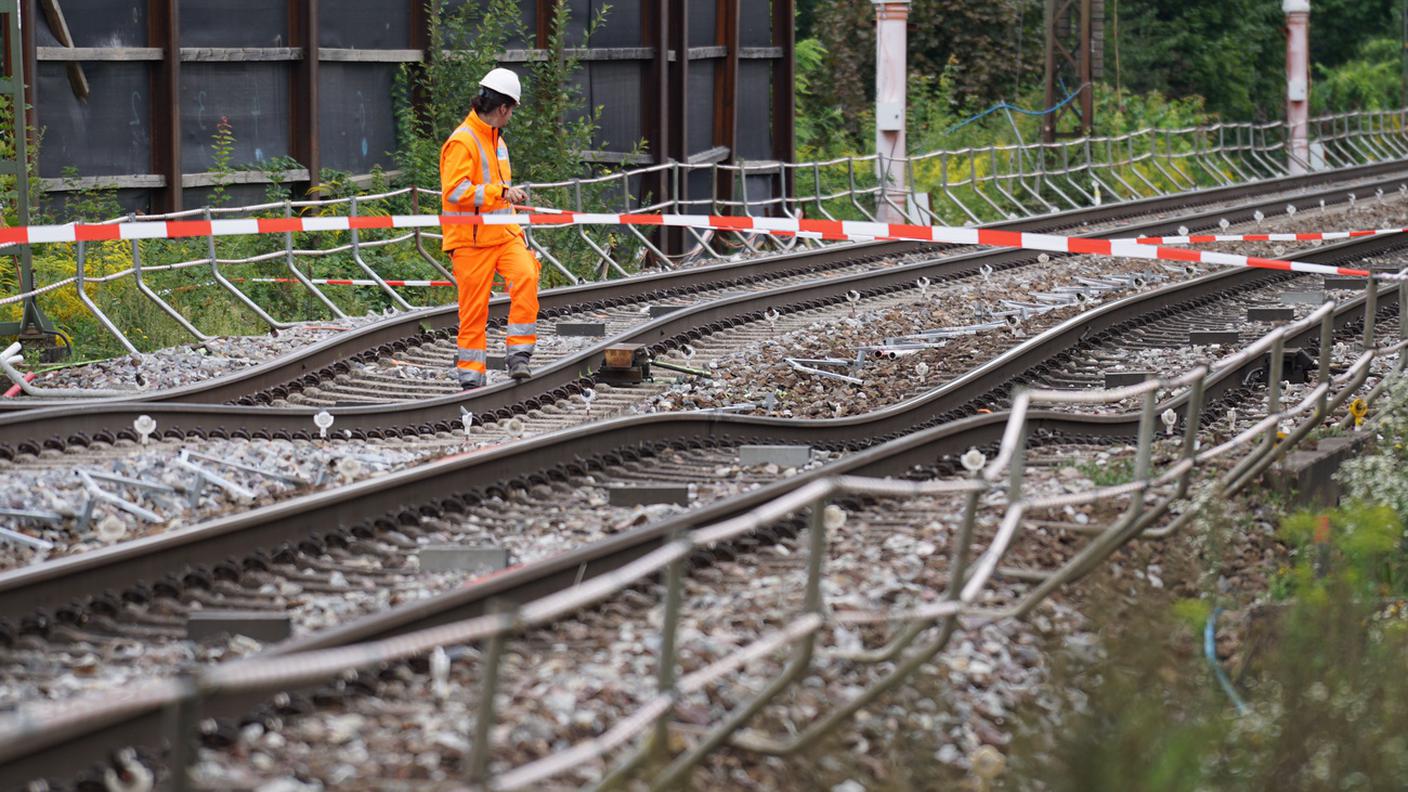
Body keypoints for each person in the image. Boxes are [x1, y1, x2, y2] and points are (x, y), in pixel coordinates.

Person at [440, 67, 539, 389]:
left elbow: (498, 190)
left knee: (526, 275)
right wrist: (499, 193)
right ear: (503, 108)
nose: (511, 116)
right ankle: (471, 380)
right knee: (473, 312)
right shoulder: (462, 141)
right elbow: (454, 191)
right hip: (470, 241)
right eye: (512, 110)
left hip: (504, 234)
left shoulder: (497, 140)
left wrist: (515, 223)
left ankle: (519, 356)